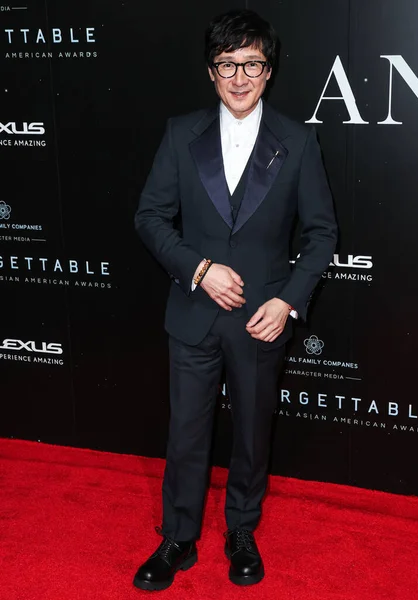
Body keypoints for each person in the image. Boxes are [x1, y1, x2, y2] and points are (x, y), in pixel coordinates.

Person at [133, 8, 337, 591]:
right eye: (228, 65)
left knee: (252, 433)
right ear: (211, 71)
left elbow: (322, 234)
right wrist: (198, 268)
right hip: (193, 313)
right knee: (185, 434)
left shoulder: (298, 141)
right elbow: (149, 217)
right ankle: (177, 538)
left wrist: (289, 302)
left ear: (268, 70)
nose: (240, 77)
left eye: (252, 64)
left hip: (261, 320)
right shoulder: (181, 134)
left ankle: (241, 530)